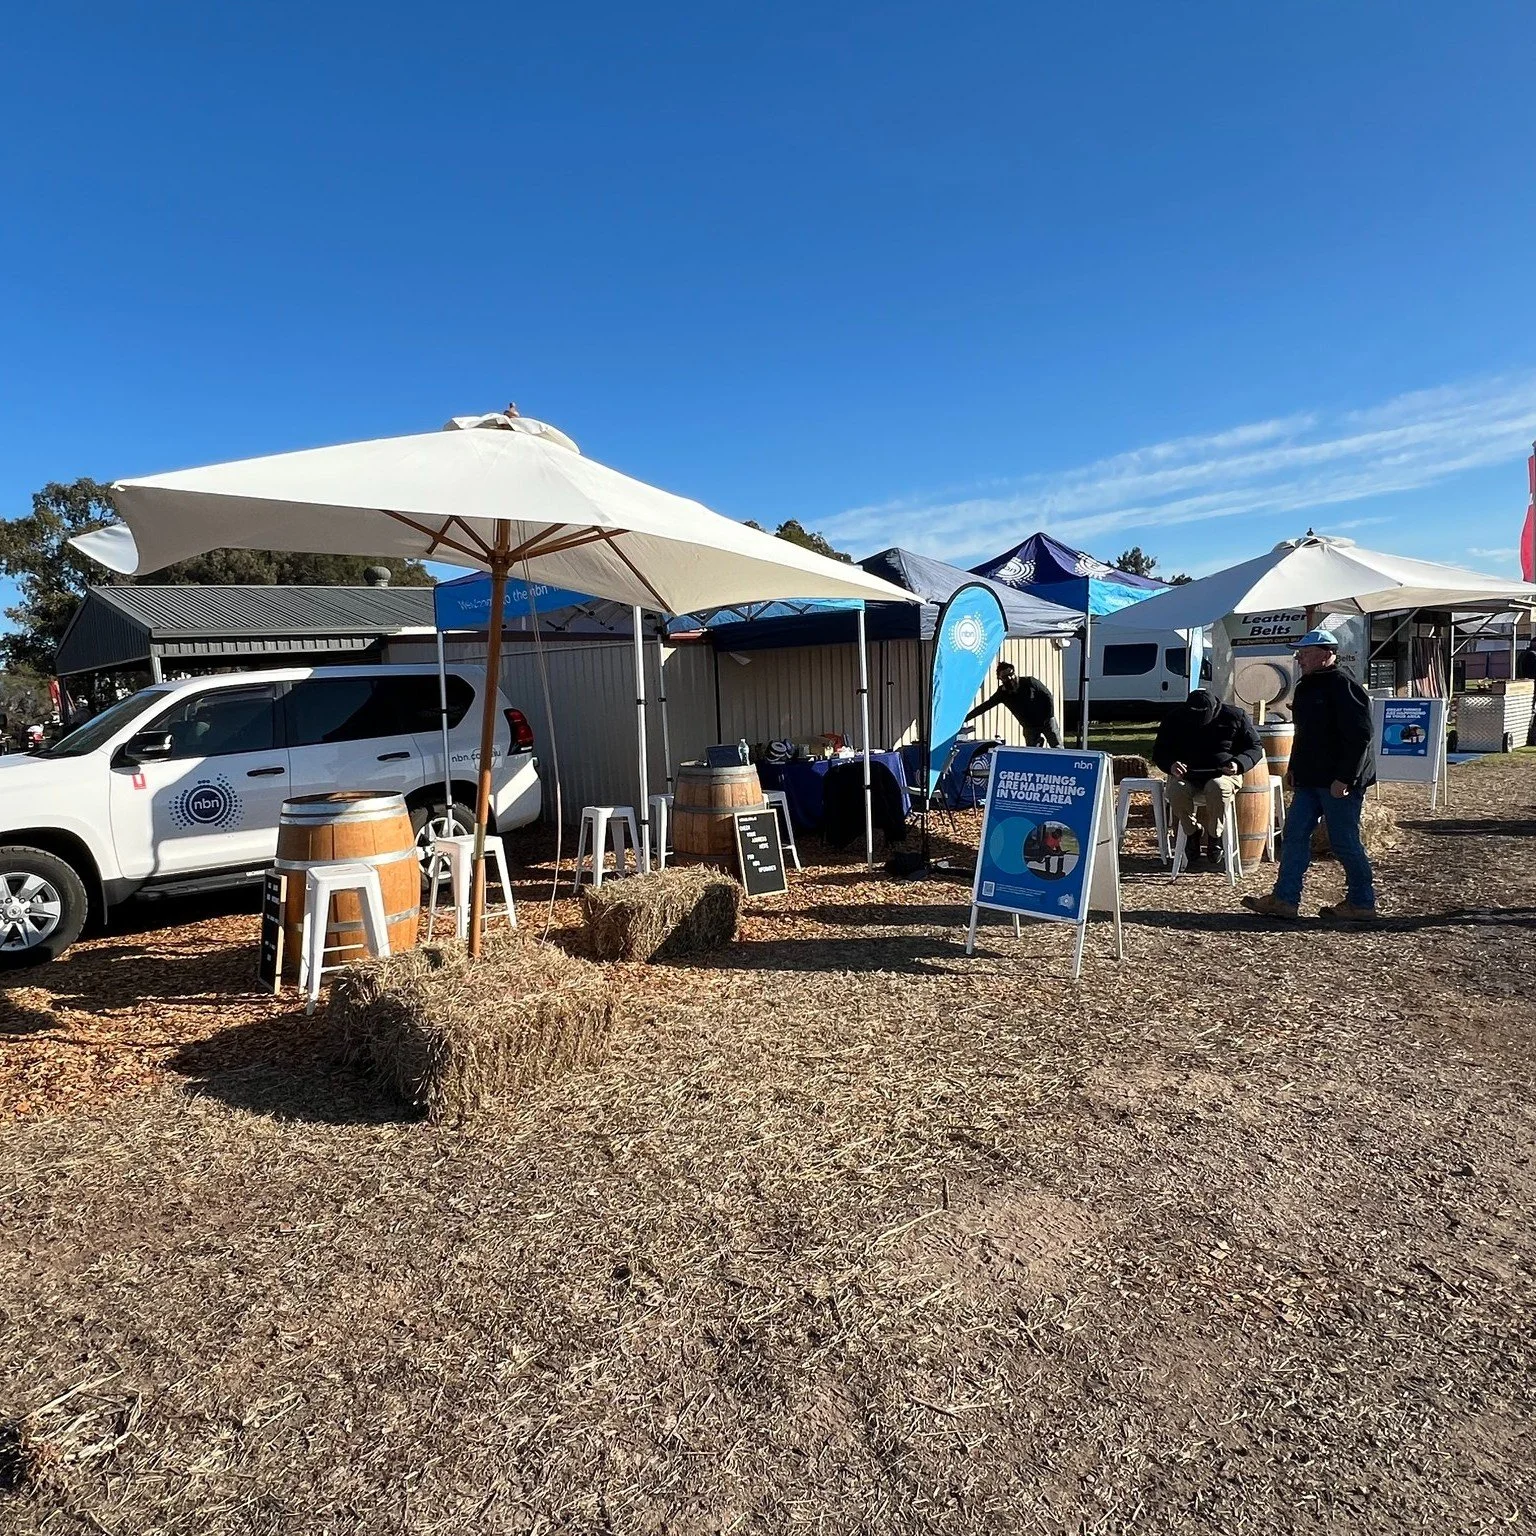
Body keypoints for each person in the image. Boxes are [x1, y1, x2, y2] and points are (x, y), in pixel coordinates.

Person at [1243, 629, 1377, 923]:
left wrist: (1346, 778)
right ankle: (1285, 899)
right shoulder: (1305, 686)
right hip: (1310, 778)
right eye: (1299, 653)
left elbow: (1360, 737)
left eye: (1305, 653)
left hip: (1339, 781)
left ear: (1326, 654)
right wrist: (1294, 768)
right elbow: (1304, 736)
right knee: (1294, 835)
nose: (1299, 658)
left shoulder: (1345, 685)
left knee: (1344, 842)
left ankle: (1362, 902)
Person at [1153, 688, 1264, 864]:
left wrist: (1238, 763)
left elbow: (1255, 747)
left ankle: (1215, 836)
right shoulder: (1174, 718)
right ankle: (1192, 832)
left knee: (1217, 788)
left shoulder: (1235, 716)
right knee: (1175, 791)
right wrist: (1171, 765)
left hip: (1224, 773)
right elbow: (1160, 751)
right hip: (1188, 774)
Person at [964, 661, 1060, 747]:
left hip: (1046, 720)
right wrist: (965, 718)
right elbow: (985, 706)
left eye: (1011, 674)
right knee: (1032, 751)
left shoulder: (1029, 682)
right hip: (1030, 726)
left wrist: (1050, 715)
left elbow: (1048, 695)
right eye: (1005, 677)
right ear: (1000, 679)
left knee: (1057, 747)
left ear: (1014, 672)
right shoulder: (1002, 693)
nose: (1009, 678)